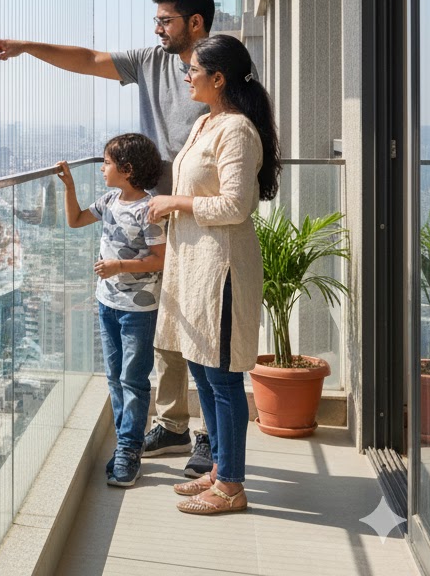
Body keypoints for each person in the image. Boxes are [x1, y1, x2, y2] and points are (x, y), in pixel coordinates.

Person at [0, 0, 216, 476]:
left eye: (165, 20)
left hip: (199, 213)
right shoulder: (150, 61)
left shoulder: (219, 66)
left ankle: (211, 437)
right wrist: (27, 47)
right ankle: (173, 424)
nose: (157, 29)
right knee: (163, 326)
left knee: (198, 326)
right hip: (151, 209)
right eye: (156, 20)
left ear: (195, 22)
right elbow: (88, 59)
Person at [146, 34, 280, 516]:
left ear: (218, 78)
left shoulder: (237, 130)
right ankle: (220, 468)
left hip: (220, 268)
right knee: (202, 371)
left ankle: (232, 486)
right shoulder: (206, 122)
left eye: (194, 71)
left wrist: (175, 202)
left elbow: (236, 205)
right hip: (194, 267)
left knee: (222, 380)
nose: (187, 77)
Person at [56, 134, 165, 488]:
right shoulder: (109, 200)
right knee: (115, 378)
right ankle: (125, 445)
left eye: (106, 163)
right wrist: (70, 187)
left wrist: (119, 266)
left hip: (139, 310)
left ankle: (129, 449)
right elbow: (75, 220)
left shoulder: (149, 209)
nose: (102, 168)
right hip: (107, 304)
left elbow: (159, 259)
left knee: (133, 379)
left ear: (127, 169)